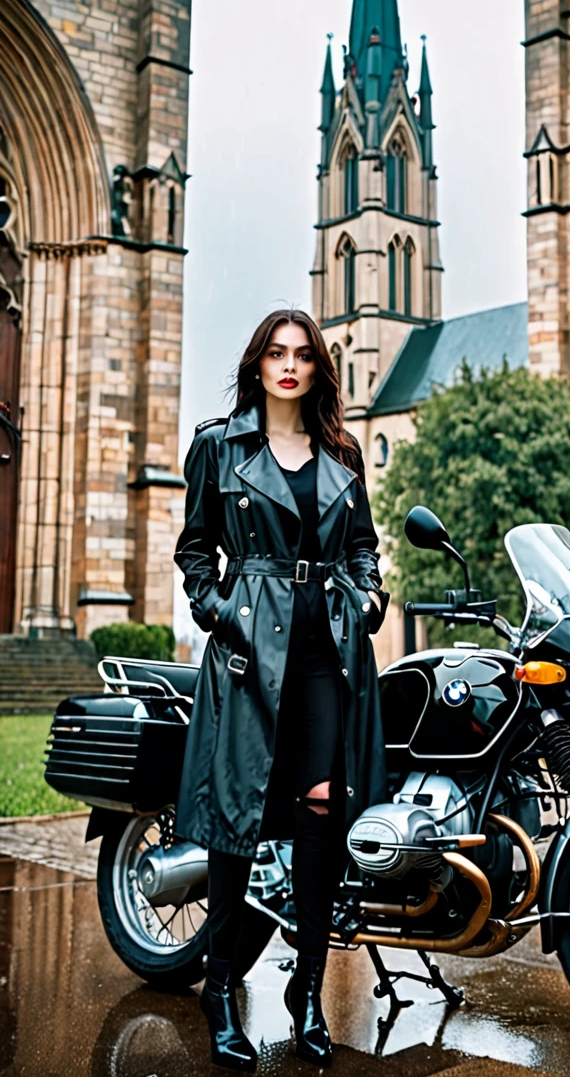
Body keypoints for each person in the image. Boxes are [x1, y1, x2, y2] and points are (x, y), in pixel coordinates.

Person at [173, 308, 389, 1071]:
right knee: (238, 825)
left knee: (322, 822)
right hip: (247, 655)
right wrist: (220, 610)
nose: (289, 365)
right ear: (258, 364)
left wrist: (367, 599)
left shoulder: (342, 450)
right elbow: (194, 549)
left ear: (317, 368)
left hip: (327, 657)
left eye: (302, 354)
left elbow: (364, 550)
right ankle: (221, 987)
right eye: (276, 353)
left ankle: (307, 989)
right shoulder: (218, 445)